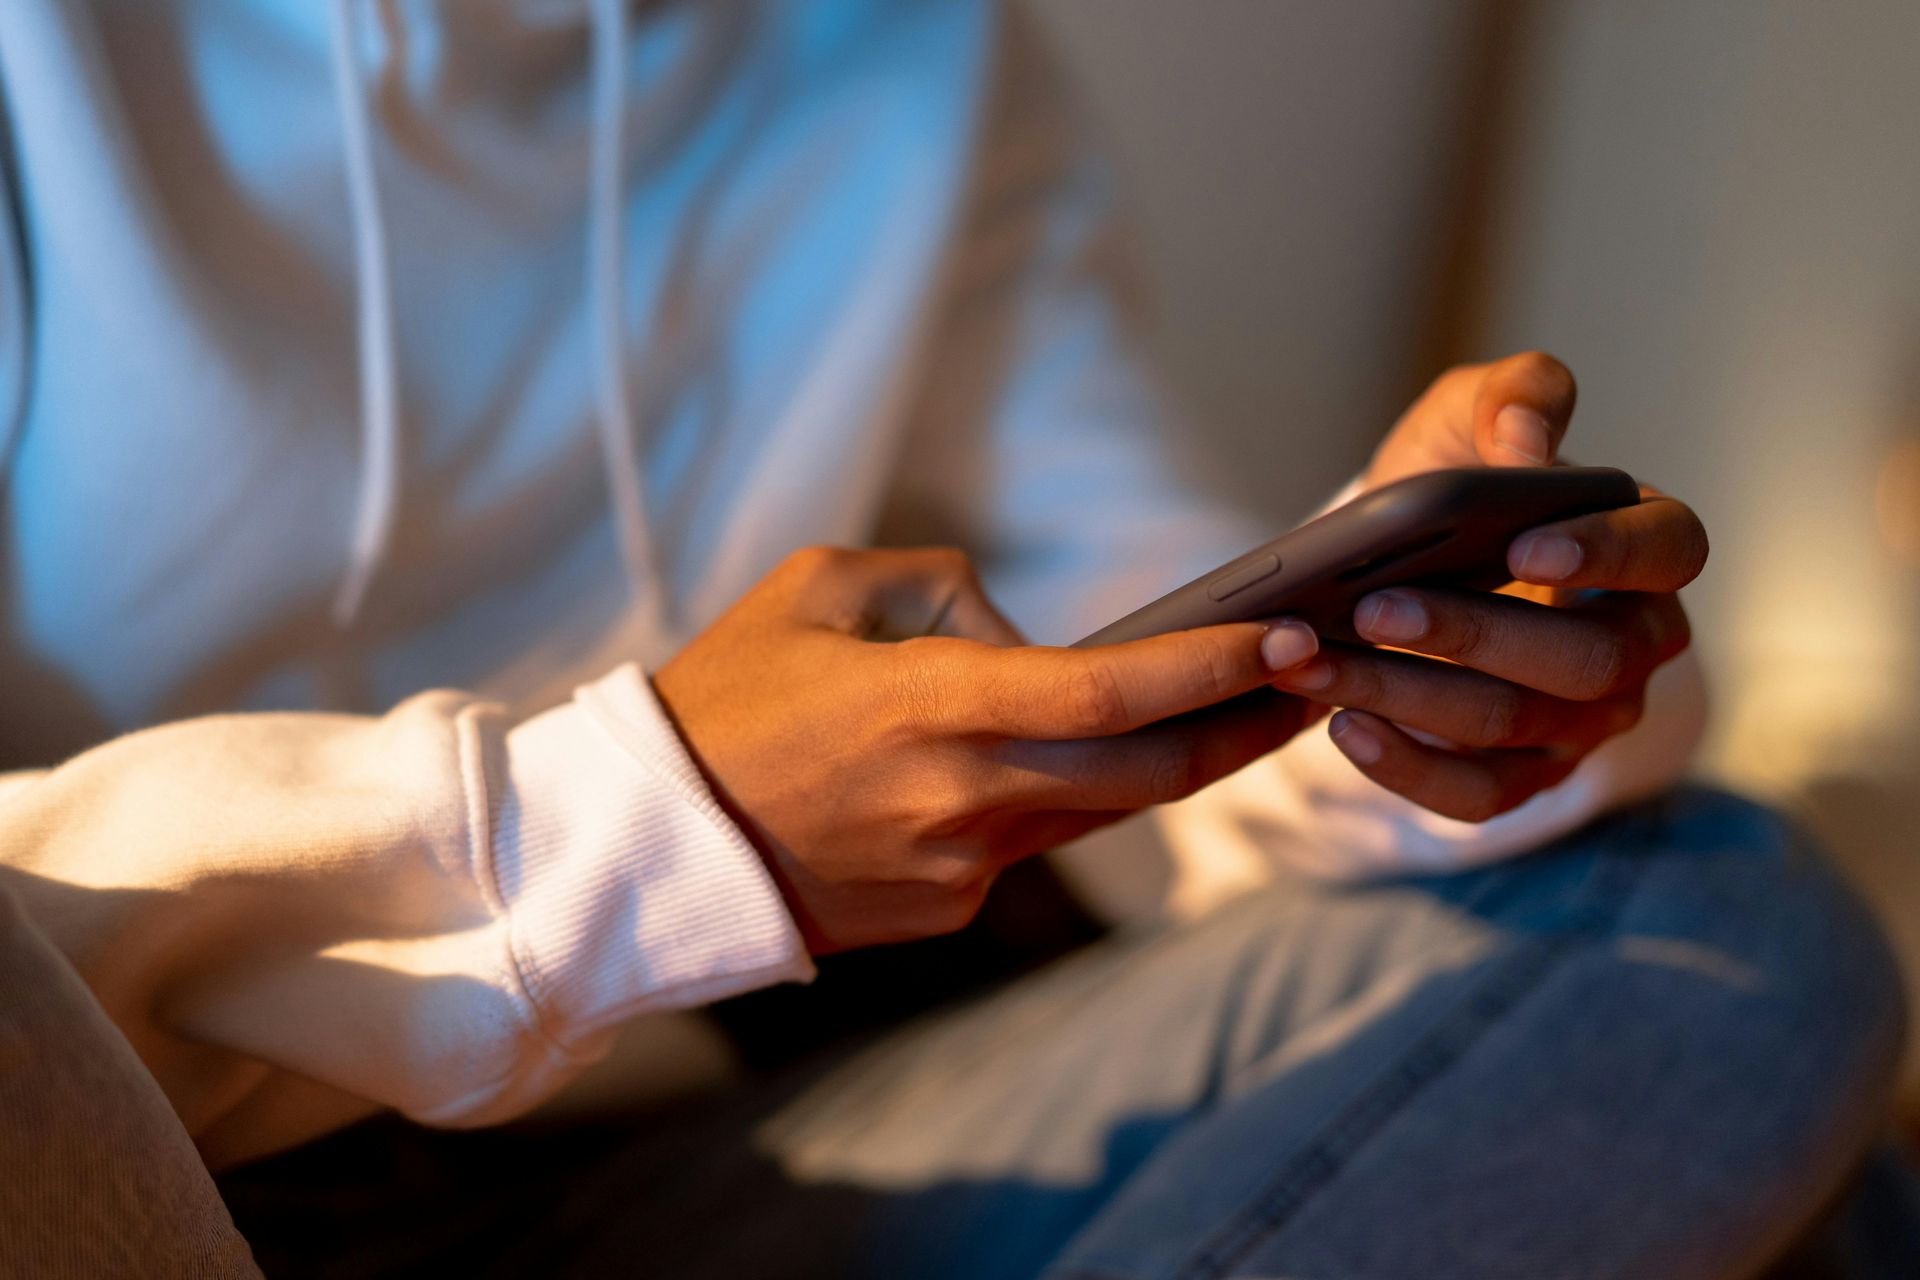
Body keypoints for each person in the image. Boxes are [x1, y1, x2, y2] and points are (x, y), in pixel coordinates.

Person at [0, 2, 1901, 1277]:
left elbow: (1125, 657)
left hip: (696, 1157)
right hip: (149, 1195)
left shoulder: (899, 54)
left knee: (1703, 937)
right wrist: (632, 826)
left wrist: (1411, 665)